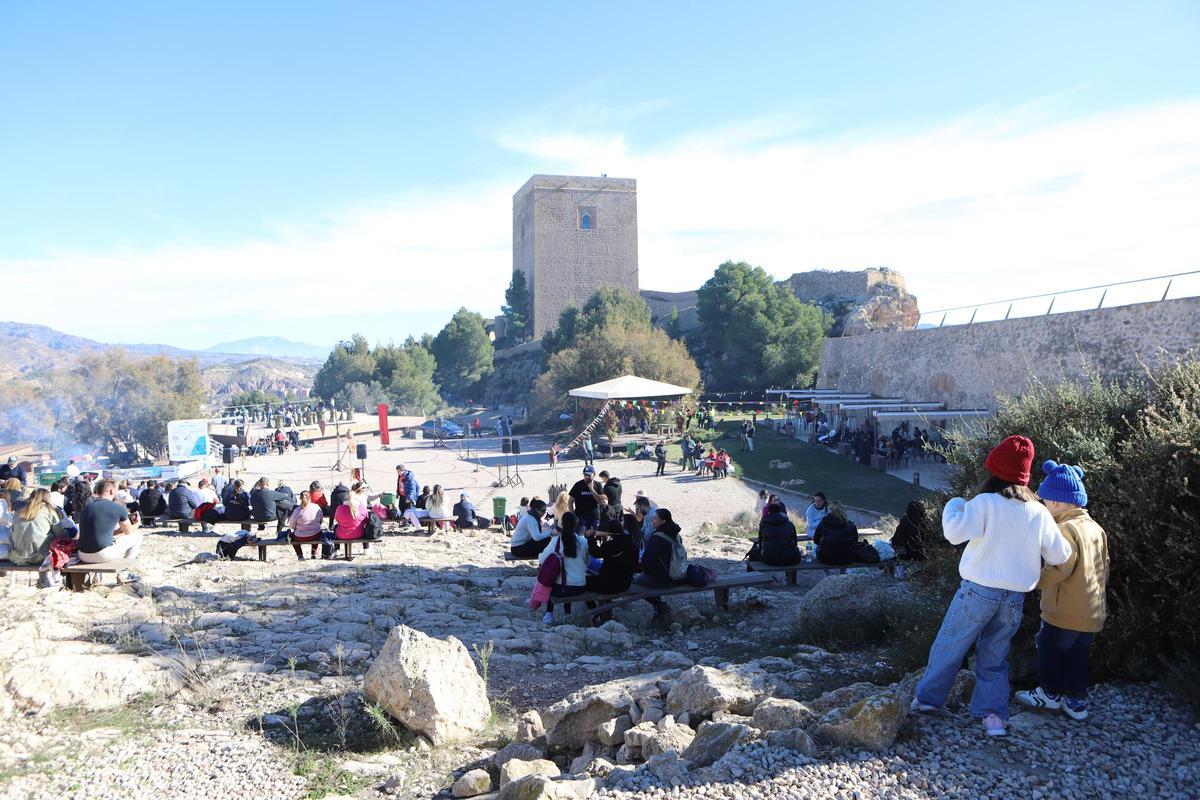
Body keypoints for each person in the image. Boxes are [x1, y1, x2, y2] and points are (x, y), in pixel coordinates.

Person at [911, 436, 1072, 738]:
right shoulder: (1038, 512)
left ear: (995, 470)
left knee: (950, 645)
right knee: (995, 656)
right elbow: (1060, 554)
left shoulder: (984, 503)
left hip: (978, 590)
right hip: (1014, 598)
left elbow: (954, 533)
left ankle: (929, 700)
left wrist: (955, 504)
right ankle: (994, 717)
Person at [1015, 461, 1109, 722]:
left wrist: (1033, 580)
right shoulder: (1096, 528)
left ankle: (1050, 694)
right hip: (1092, 611)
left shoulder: (1064, 529)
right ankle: (1076, 702)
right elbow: (1104, 566)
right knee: (1077, 656)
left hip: (1063, 611)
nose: (1044, 506)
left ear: (1055, 502)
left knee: (1049, 650)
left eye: (1045, 502)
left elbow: (1060, 566)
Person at [538, 511, 589, 624]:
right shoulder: (583, 542)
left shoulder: (556, 541)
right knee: (565, 579)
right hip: (579, 586)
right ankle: (567, 613)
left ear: (562, 524)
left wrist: (540, 555)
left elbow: (542, 560)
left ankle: (549, 613)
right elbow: (587, 562)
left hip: (562, 589)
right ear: (576, 524)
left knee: (551, 581)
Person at [77, 479, 141, 569]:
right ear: (111, 491)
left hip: (82, 554)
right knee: (138, 535)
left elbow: (100, 533)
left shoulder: (87, 507)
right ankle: (126, 569)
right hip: (102, 554)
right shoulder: (118, 507)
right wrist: (138, 523)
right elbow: (128, 532)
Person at [635, 508, 685, 619]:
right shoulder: (676, 535)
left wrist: (642, 570)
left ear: (663, 521)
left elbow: (647, 561)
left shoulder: (657, 537)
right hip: (678, 575)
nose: (652, 520)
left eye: (655, 518)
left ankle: (658, 606)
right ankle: (659, 607)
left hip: (663, 579)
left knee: (635, 583)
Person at [8, 488, 65, 585]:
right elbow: (60, 534)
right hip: (41, 557)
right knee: (55, 539)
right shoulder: (50, 511)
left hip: (17, 557)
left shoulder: (19, 511)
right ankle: (49, 579)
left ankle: (43, 579)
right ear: (48, 498)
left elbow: (12, 533)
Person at [286, 490, 324, 560]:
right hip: (315, 534)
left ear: (300, 498)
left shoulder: (297, 510)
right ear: (310, 497)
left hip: (300, 536)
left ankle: (300, 555)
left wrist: (296, 528)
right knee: (316, 532)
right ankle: (313, 554)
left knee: (293, 538)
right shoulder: (316, 507)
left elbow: (292, 524)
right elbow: (321, 520)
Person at [569, 466, 603, 532]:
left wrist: (592, 489)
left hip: (594, 516)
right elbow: (570, 501)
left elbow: (600, 502)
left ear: (594, 475)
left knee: (595, 536)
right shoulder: (578, 485)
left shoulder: (598, 485)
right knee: (580, 536)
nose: (586, 477)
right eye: (585, 474)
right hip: (580, 516)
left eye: (589, 475)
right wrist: (573, 515)